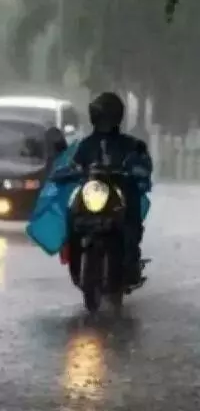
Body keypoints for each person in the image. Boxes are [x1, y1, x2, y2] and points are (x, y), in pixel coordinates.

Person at [61, 92, 152, 284]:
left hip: (119, 193)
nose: (104, 122)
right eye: (101, 117)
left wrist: (138, 171)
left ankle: (131, 262)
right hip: (93, 192)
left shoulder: (131, 145)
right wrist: (65, 172)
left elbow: (143, 164)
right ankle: (72, 256)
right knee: (71, 213)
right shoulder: (85, 145)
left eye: (107, 117)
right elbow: (72, 164)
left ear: (116, 117)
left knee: (131, 217)